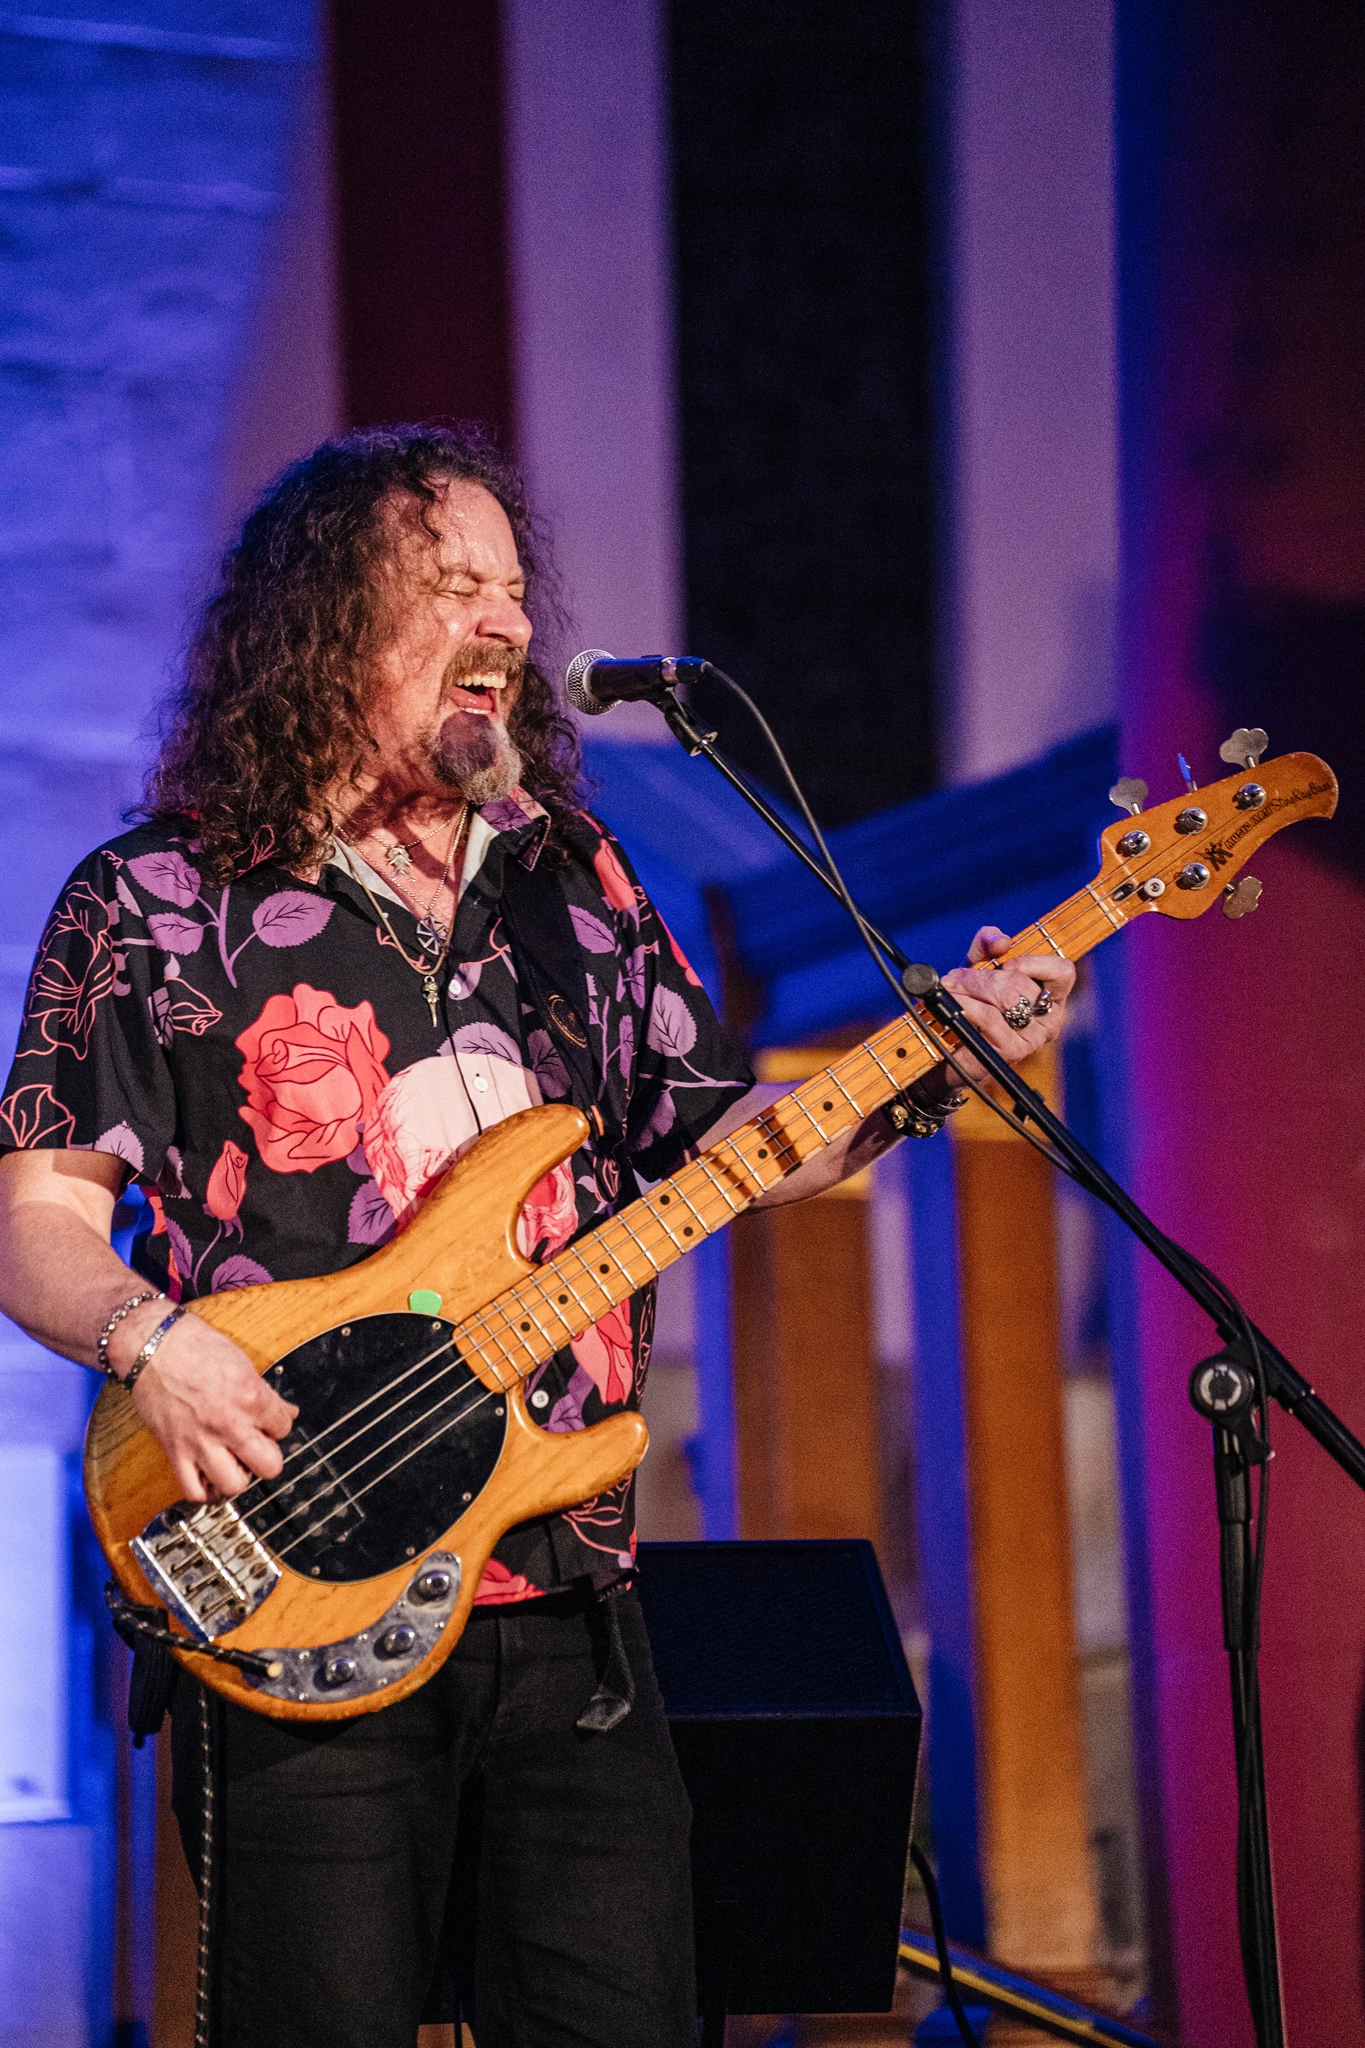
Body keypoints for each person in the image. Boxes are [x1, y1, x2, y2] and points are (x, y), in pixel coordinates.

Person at [0, 426, 1072, 2048]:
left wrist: (932, 1065)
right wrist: (155, 1346)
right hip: (299, 1582)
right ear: (327, 620)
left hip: (569, 1597)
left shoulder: (574, 882)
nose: (503, 621)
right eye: (452, 587)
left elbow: (720, 1142)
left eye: (511, 588)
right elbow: (35, 1223)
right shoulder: (154, 899)